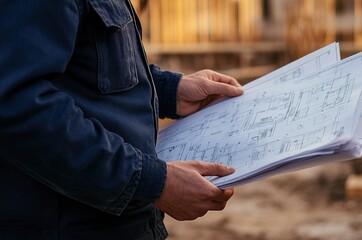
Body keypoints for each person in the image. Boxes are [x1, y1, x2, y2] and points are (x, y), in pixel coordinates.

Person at [0, 0, 243, 239]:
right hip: (72, 225)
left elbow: (87, 66)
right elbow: (17, 106)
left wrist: (170, 91)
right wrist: (151, 181)